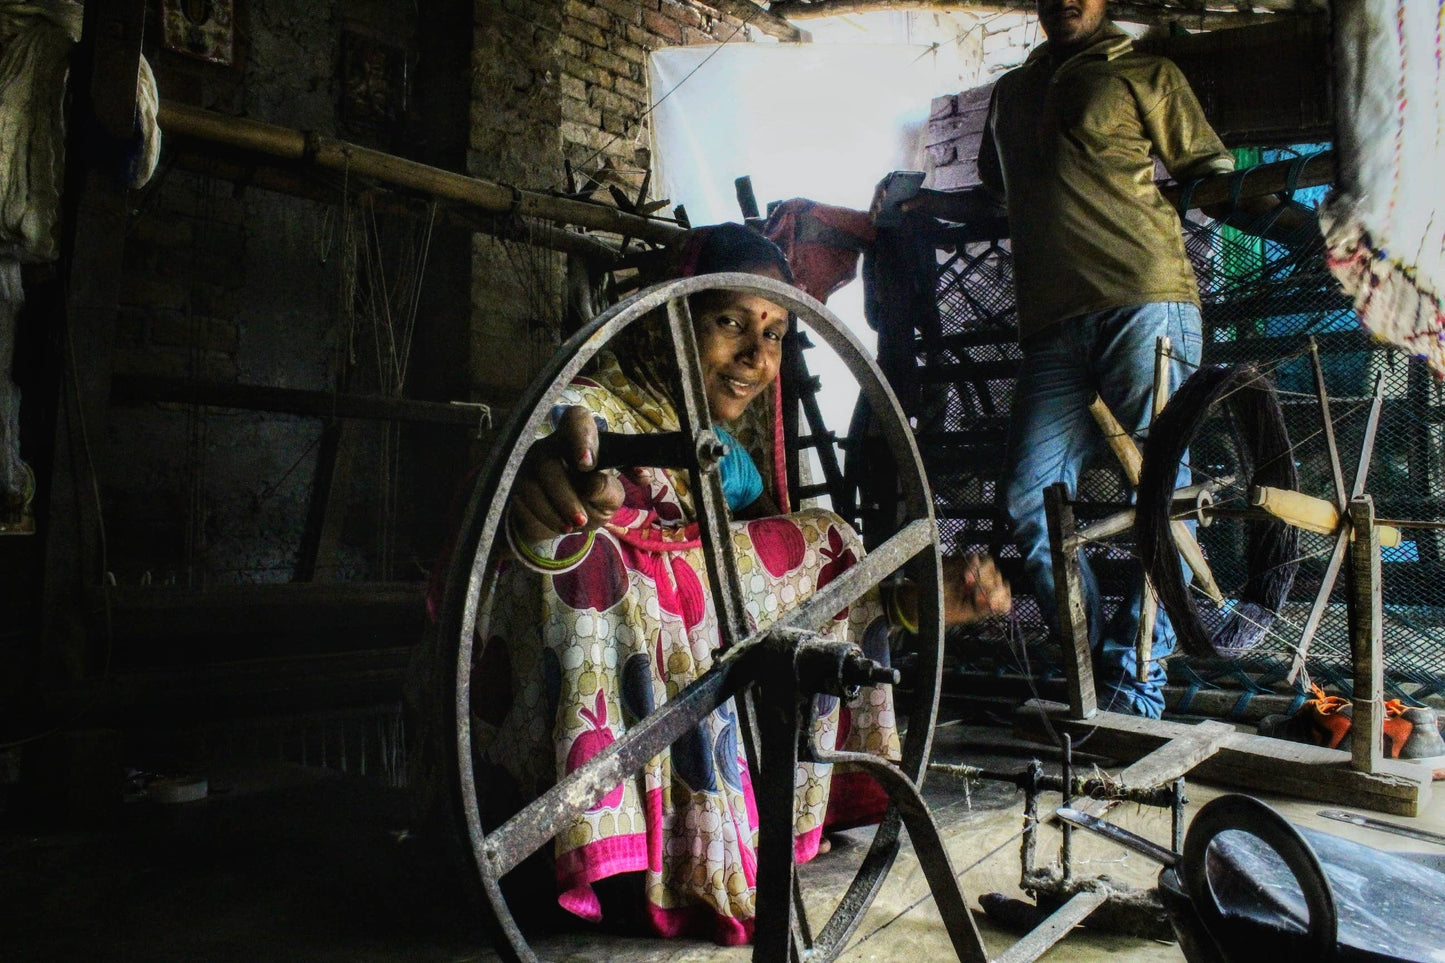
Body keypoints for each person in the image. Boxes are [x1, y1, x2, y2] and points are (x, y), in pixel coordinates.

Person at [474, 223, 1010, 944]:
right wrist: (550, 484)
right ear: (670, 322)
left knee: (822, 540)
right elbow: (567, 431)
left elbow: (768, 552)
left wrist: (895, 588)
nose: (756, 357)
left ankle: (900, 622)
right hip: (581, 661)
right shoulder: (602, 400)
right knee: (587, 560)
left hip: (679, 656)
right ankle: (608, 850)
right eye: (729, 321)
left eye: (776, 334)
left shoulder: (722, 454)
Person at [898, 0, 1315, 717]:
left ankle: (1135, 688)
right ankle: (1093, 667)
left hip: (1144, 297)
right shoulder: (1013, 92)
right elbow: (1000, 197)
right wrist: (908, 206)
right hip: (1050, 325)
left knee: (1158, 498)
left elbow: (1211, 178)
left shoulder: (1145, 71)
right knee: (1030, 497)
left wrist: (1311, 230)